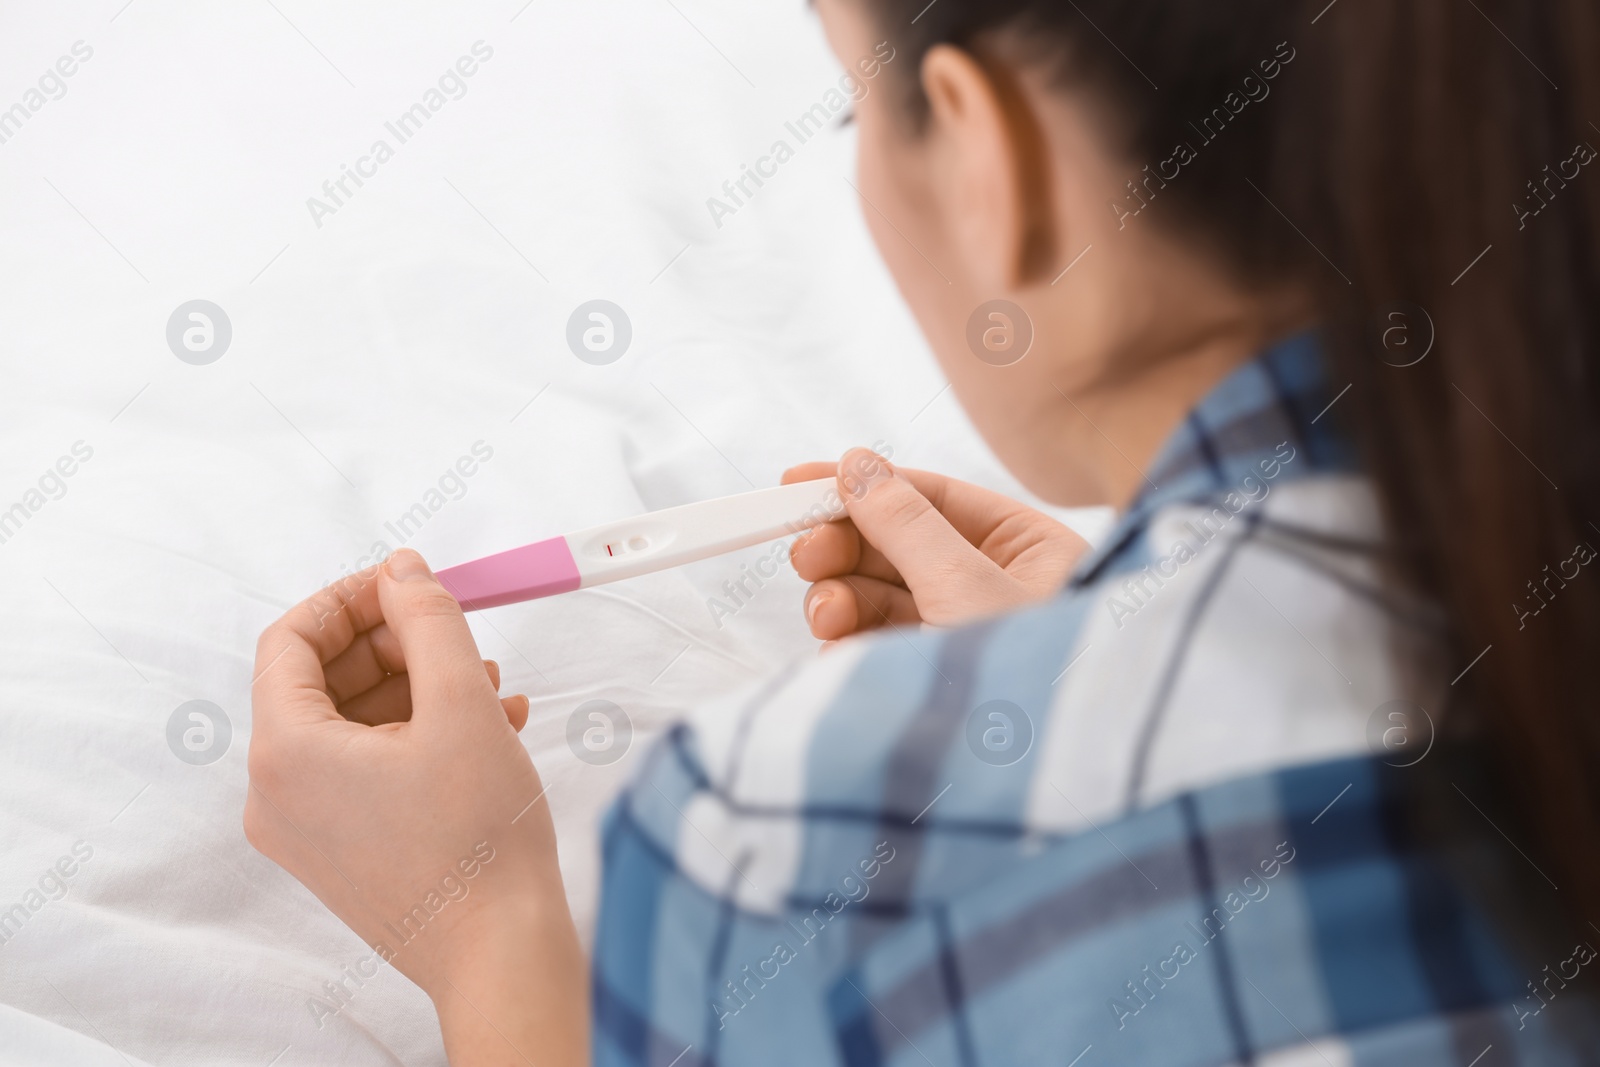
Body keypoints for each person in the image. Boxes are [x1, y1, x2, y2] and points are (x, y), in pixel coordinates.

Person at [246, 0, 1600, 1063]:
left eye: (854, 110)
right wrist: (1116, 668)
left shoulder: (774, 833)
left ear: (987, 156)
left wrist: (486, 932)